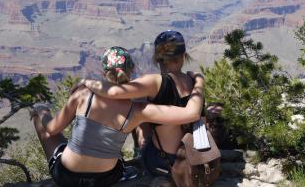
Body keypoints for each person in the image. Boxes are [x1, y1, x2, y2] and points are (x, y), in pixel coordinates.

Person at [31, 46, 204, 187]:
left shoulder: (84, 93)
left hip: (66, 176)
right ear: (132, 70)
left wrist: (42, 111)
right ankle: (137, 155)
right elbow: (192, 113)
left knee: (44, 124)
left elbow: (52, 128)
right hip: (106, 179)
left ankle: (38, 112)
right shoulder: (139, 109)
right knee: (127, 130)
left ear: (103, 71)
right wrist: (198, 82)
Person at [81, 30, 203, 177]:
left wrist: (86, 82)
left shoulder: (156, 81)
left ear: (157, 58)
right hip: (195, 155)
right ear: (184, 56)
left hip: (165, 162)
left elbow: (115, 91)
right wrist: (200, 80)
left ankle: (136, 155)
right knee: (142, 103)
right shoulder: (192, 80)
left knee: (137, 107)